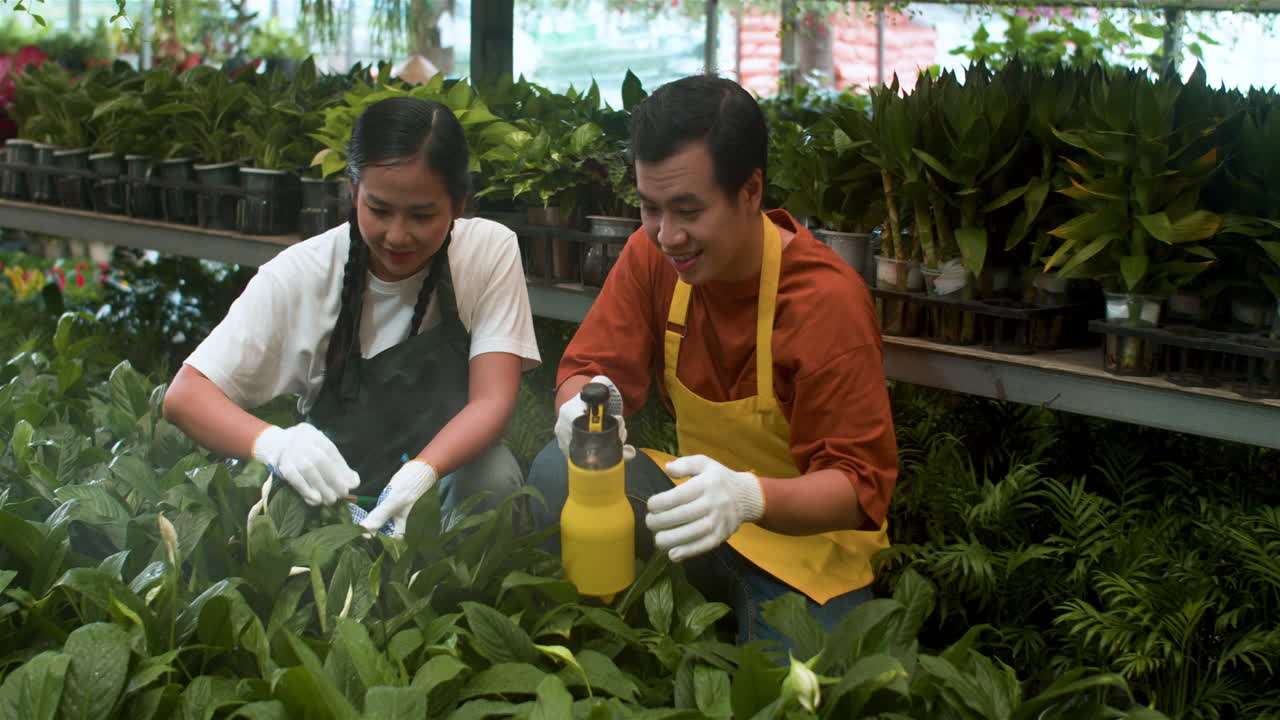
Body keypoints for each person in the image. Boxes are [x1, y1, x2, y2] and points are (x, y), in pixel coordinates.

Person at [527, 75, 897, 648]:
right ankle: (598, 633)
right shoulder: (652, 258)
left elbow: (858, 486)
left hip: (808, 551)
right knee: (559, 472)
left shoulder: (826, 302)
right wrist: (579, 404)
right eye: (650, 208)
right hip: (691, 512)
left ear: (750, 192)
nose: (668, 235)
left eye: (688, 211)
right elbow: (591, 366)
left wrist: (749, 497)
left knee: (801, 696)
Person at [163, 96, 540, 537]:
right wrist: (277, 444)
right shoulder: (302, 273)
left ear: (458, 206)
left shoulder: (487, 252)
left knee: (490, 475)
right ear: (353, 190)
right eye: (378, 210)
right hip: (335, 499)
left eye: (422, 215)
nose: (398, 235)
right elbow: (185, 396)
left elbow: (491, 401)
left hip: (445, 485)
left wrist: (421, 472)